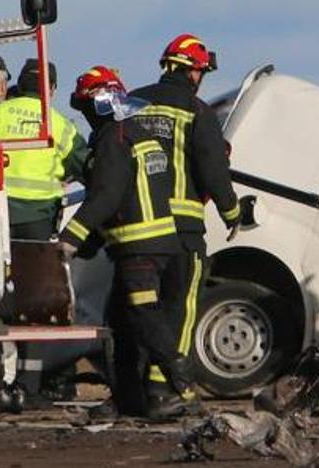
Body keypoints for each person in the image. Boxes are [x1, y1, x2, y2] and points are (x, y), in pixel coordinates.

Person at [60, 65, 200, 419]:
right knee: (121, 323)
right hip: (159, 244)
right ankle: (128, 400)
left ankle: (184, 388)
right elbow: (129, 195)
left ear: (98, 104)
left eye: (85, 106)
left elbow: (107, 196)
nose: (86, 115)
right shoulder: (141, 134)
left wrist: (70, 239)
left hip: (138, 249)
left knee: (143, 318)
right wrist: (91, 244)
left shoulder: (114, 138)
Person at [129, 33, 240, 414]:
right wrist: (232, 212)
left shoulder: (133, 104)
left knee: (140, 309)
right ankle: (166, 390)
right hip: (183, 230)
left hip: (136, 229)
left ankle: (133, 389)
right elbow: (213, 168)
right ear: (194, 72)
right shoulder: (197, 111)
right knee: (180, 307)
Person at [0, 59, 88, 240]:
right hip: (40, 214)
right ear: (51, 89)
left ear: (20, 84)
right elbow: (84, 165)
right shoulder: (60, 124)